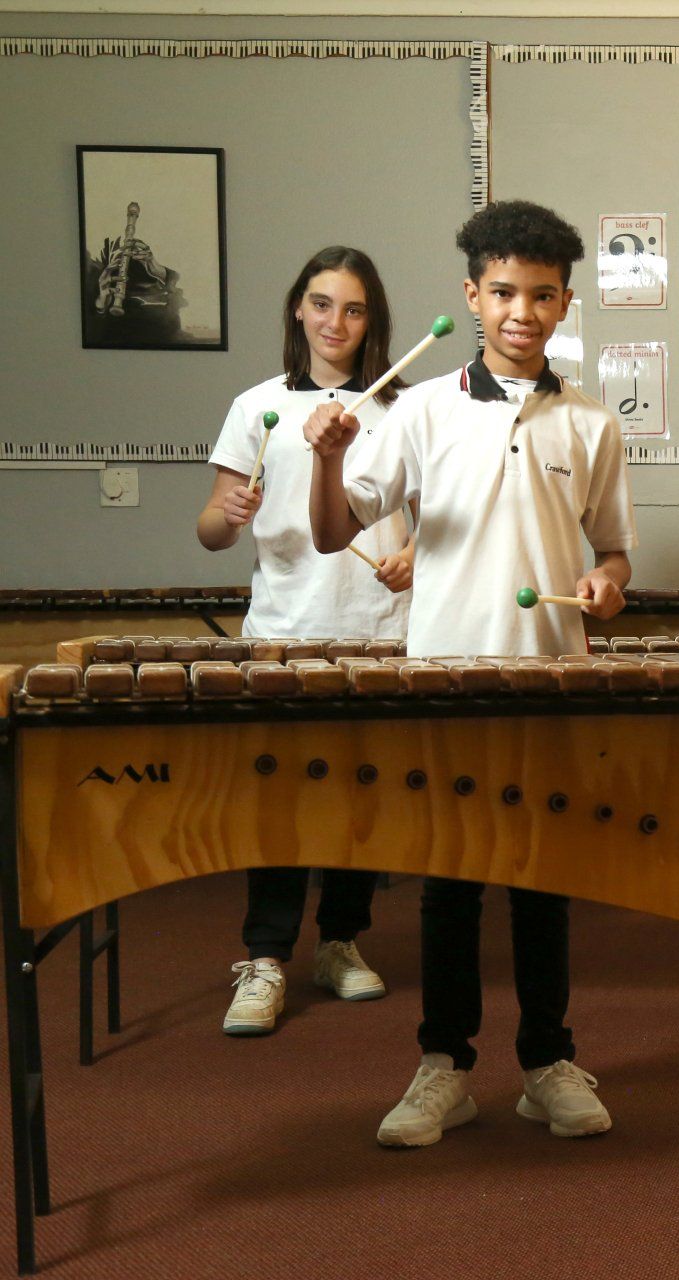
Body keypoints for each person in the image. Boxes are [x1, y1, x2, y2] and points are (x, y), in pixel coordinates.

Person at [306, 200, 635, 1147]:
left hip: (551, 678)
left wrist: (606, 589)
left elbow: (615, 556)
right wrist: (327, 464)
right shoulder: (418, 411)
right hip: (445, 677)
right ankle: (444, 1065)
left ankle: (546, 1061)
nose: (521, 311)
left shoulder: (591, 424)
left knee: (543, 877)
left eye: (540, 294)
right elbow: (336, 529)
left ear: (565, 303)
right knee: (451, 880)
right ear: (471, 297)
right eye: (502, 292)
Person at [197, 245, 412, 1035]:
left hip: (379, 629)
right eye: (322, 304)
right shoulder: (256, 406)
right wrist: (230, 515)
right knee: (279, 800)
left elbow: (436, 525)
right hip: (283, 631)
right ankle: (265, 957)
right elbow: (210, 532)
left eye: (353, 309)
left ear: (371, 321)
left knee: (360, 798)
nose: (335, 322)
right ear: (298, 309)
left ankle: (340, 942)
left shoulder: (403, 409)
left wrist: (413, 557)